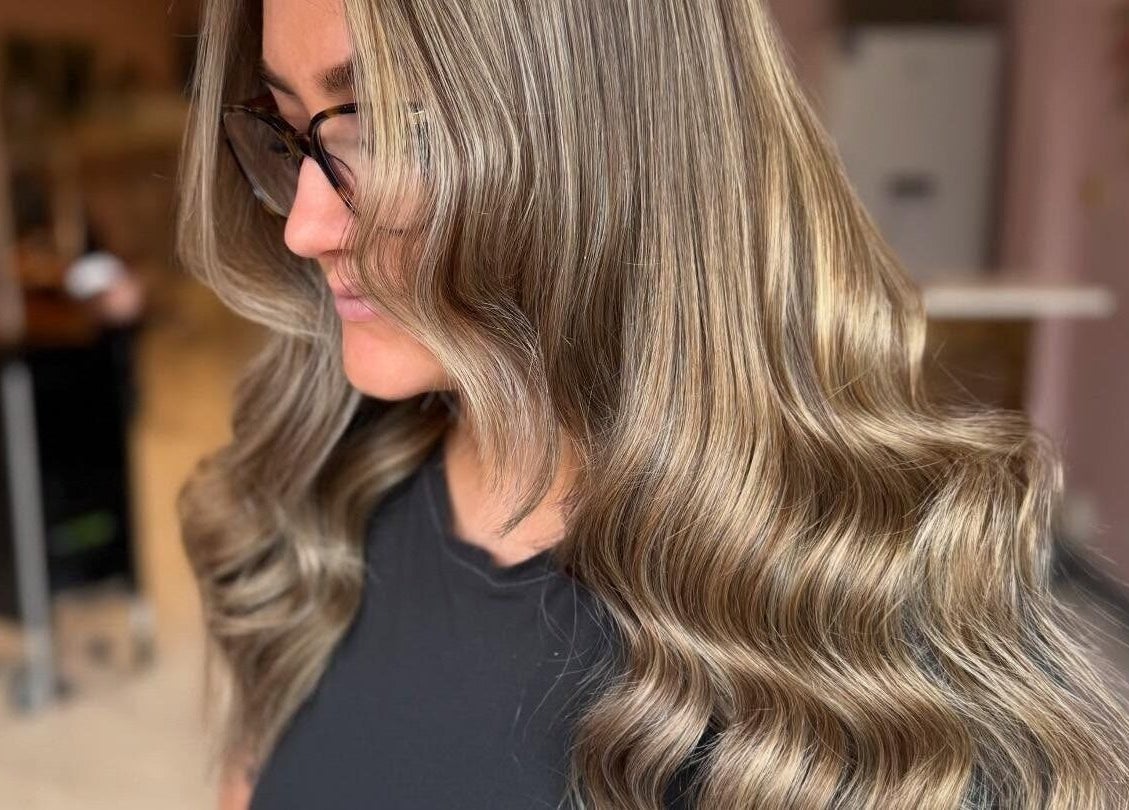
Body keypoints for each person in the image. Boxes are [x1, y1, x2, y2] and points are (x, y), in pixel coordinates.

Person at [176, 0, 1129, 808]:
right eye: (291, 126)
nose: (304, 226)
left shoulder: (939, 642)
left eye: (382, 127)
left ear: (619, 142)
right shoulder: (309, 512)